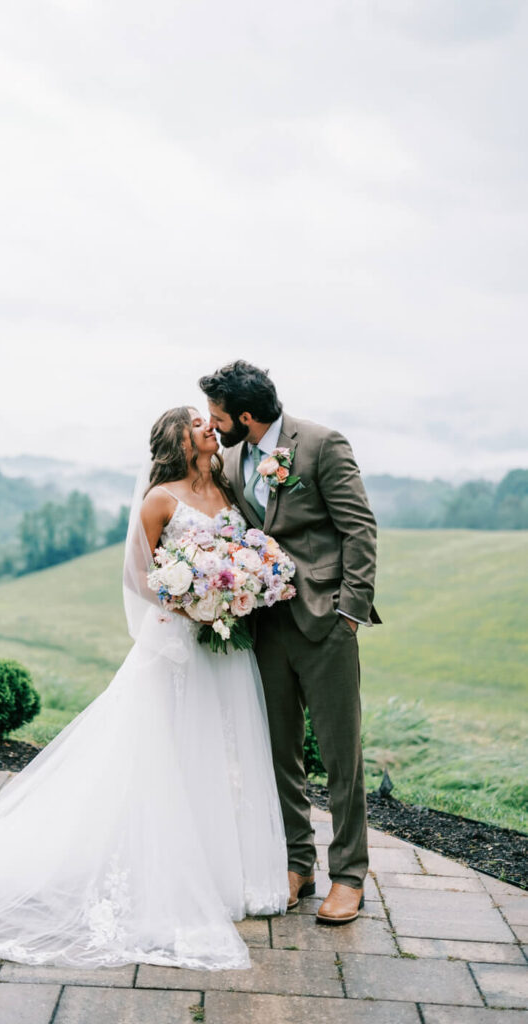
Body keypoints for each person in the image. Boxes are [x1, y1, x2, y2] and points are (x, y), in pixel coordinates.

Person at [0, 406, 288, 970]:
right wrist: (189, 603)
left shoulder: (224, 487)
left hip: (224, 646)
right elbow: (138, 575)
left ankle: (229, 873)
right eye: (197, 425)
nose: (209, 428)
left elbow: (238, 552)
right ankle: (160, 870)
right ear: (179, 442)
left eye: (209, 423)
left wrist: (233, 590)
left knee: (220, 750)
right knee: (165, 755)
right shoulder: (160, 498)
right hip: (178, 643)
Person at [199, 360, 380, 924]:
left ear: (245, 416)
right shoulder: (228, 458)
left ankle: (349, 875)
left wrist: (348, 612)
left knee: (339, 753)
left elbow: (359, 529)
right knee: (279, 751)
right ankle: (296, 863)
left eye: (218, 415)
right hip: (264, 625)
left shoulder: (322, 445)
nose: (213, 423)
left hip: (325, 623)